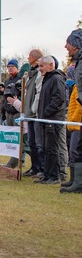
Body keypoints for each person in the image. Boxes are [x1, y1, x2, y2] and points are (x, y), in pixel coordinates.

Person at [33, 56, 66, 185]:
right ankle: (47, 175)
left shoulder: (56, 79)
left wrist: (46, 112)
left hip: (53, 120)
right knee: (46, 148)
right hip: (46, 120)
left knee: (52, 149)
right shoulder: (47, 79)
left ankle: (54, 176)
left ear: (51, 65)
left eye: (42, 66)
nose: (39, 69)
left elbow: (59, 98)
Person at [61, 28, 82, 193]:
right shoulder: (78, 61)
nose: (65, 46)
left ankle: (78, 183)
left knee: (77, 147)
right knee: (74, 148)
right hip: (76, 109)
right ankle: (75, 179)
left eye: (68, 43)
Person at [21, 49, 45, 178]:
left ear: (35, 58)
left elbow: (38, 93)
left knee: (38, 142)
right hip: (29, 113)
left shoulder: (39, 74)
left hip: (35, 114)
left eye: (30, 55)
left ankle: (42, 168)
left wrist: (34, 109)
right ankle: (35, 167)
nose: (28, 57)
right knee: (31, 142)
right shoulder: (30, 73)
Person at [2, 59, 22, 168]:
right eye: (8, 66)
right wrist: (4, 111)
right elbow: (5, 97)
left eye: (12, 66)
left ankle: (16, 161)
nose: (10, 68)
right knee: (11, 139)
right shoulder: (7, 81)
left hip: (17, 112)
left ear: (17, 67)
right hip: (8, 112)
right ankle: (12, 161)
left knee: (18, 138)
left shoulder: (21, 79)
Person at [62, 66, 80, 188]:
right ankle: (73, 179)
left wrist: (73, 120)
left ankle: (78, 182)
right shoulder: (73, 88)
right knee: (72, 152)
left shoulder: (78, 88)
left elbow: (79, 107)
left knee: (75, 151)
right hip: (72, 124)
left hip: (77, 124)